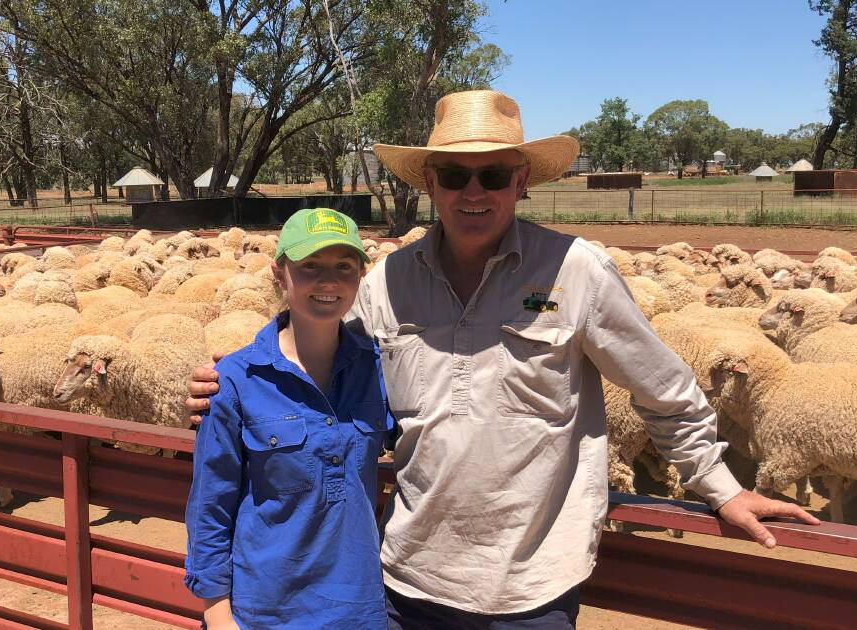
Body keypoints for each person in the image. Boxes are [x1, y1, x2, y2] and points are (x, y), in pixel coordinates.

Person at [187, 91, 818, 629]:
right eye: (456, 174)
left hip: (533, 582)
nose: (473, 191)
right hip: (409, 576)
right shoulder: (390, 282)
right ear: (429, 182)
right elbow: (313, 351)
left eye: (493, 175)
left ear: (521, 181)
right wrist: (233, 382)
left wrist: (720, 486)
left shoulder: (575, 272)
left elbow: (662, 387)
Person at [184, 208, 393, 630]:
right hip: (264, 610)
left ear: (359, 277)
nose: (328, 280)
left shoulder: (378, 369)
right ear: (280, 273)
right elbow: (210, 507)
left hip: (358, 608)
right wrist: (218, 615)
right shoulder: (235, 381)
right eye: (309, 266)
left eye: (343, 266)